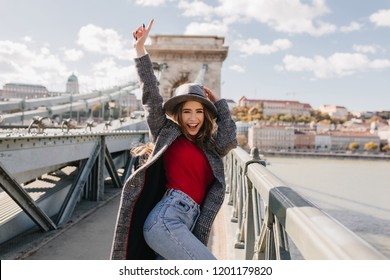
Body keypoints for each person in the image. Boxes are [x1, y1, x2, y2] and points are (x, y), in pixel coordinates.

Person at [110, 19, 237, 260]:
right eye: (187, 111)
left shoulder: (210, 147)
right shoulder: (166, 133)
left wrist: (219, 104)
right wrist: (140, 50)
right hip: (166, 219)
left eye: (199, 111)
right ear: (177, 113)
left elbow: (228, 140)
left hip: (189, 222)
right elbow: (150, 95)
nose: (193, 118)